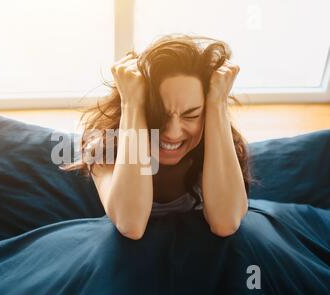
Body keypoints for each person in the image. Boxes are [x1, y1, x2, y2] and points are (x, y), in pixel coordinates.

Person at [62, 33, 254, 240]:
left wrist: (218, 103)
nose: (172, 133)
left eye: (191, 115)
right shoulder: (104, 146)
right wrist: (132, 104)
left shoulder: (216, 142)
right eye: (157, 115)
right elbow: (131, 225)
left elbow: (225, 223)